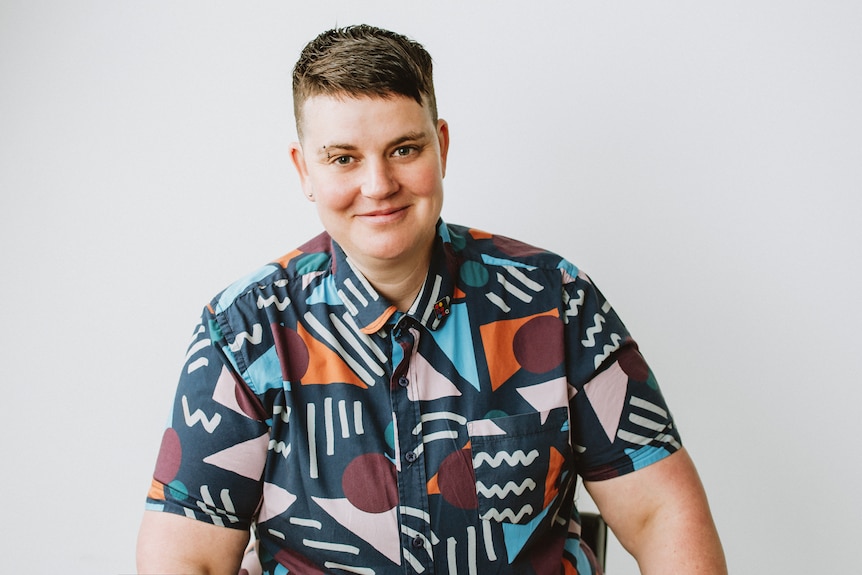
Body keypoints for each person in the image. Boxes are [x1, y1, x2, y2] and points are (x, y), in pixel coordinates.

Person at [136, 24, 727, 575]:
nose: (378, 186)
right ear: (305, 170)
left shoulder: (556, 300)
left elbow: (660, 514)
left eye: (404, 149)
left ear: (441, 146)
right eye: (343, 158)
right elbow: (189, 559)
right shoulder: (243, 332)